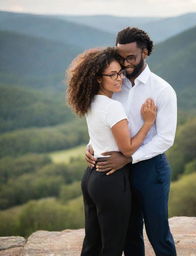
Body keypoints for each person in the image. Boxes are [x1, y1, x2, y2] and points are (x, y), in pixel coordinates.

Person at [86, 27, 177, 256]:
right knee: (130, 234)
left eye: (131, 58)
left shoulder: (163, 90)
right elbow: (108, 121)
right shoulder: (116, 83)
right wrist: (93, 145)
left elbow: (166, 138)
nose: (125, 64)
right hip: (120, 173)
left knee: (158, 234)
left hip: (150, 170)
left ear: (145, 53)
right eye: (121, 58)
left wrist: (128, 158)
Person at [66, 47, 157, 256]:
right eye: (112, 74)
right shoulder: (112, 107)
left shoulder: (90, 101)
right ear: (98, 78)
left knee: (93, 243)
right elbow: (128, 148)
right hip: (111, 179)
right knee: (112, 246)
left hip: (91, 176)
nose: (119, 79)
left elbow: (100, 136)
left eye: (120, 73)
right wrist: (148, 123)